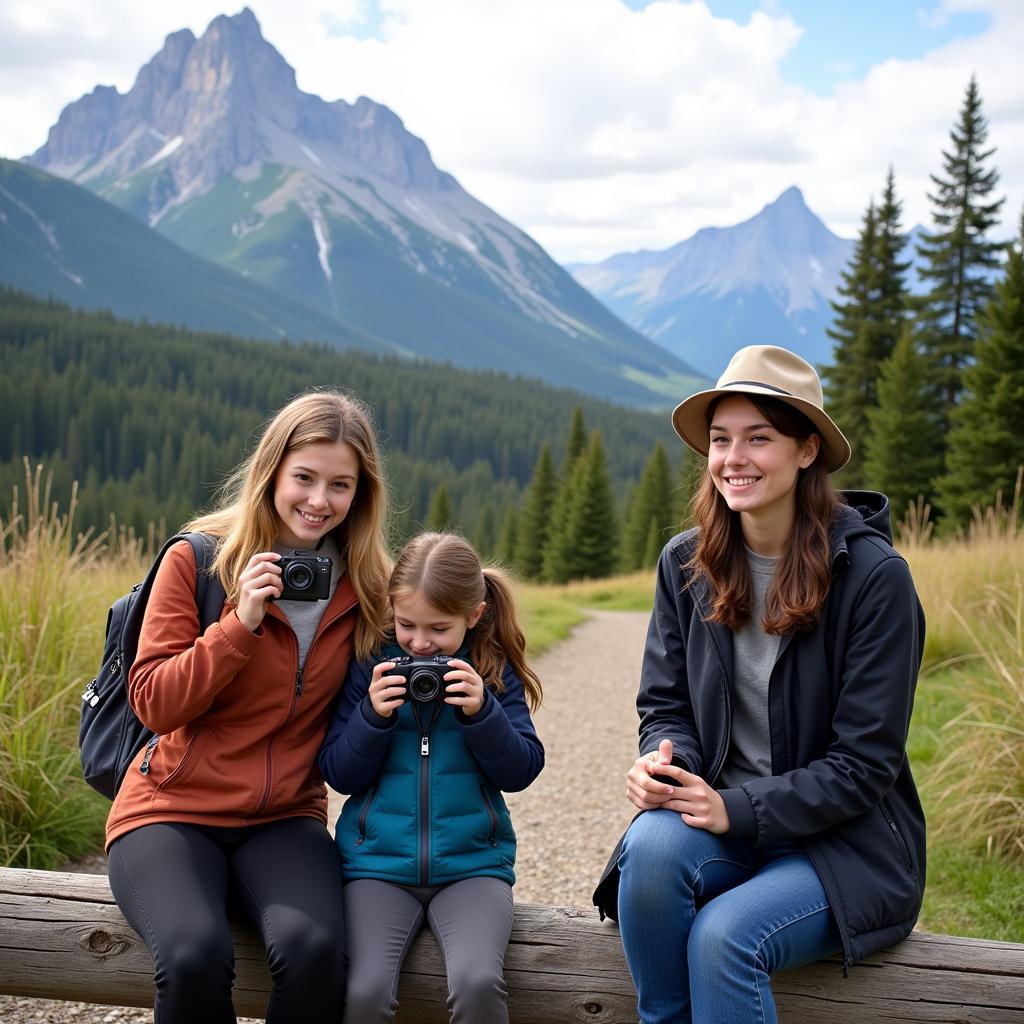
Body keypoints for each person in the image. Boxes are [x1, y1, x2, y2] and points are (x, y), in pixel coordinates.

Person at [592, 345, 927, 1024]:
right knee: (650, 855)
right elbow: (665, 706)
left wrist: (734, 809)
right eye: (720, 440)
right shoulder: (685, 562)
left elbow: (864, 766)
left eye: (758, 439)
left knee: (727, 936)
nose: (732, 459)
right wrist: (668, 762)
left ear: (807, 452)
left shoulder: (874, 578)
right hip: (724, 825)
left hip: (844, 847)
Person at [105, 390, 392, 1024]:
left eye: (340, 485)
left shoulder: (367, 587)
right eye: (305, 478)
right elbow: (152, 701)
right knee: (192, 956)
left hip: (286, 817)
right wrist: (240, 623)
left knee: (317, 954)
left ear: (360, 495)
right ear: (271, 474)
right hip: (171, 811)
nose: (319, 501)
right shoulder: (199, 560)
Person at [319, 531, 544, 1024]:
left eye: (439, 630)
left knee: (478, 982)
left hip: (473, 868)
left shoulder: (490, 669)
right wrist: (371, 717)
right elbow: (338, 773)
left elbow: (522, 769)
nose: (420, 643)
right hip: (375, 868)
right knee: (363, 990)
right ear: (390, 612)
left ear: (474, 616)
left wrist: (483, 713)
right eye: (406, 625)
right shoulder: (370, 665)